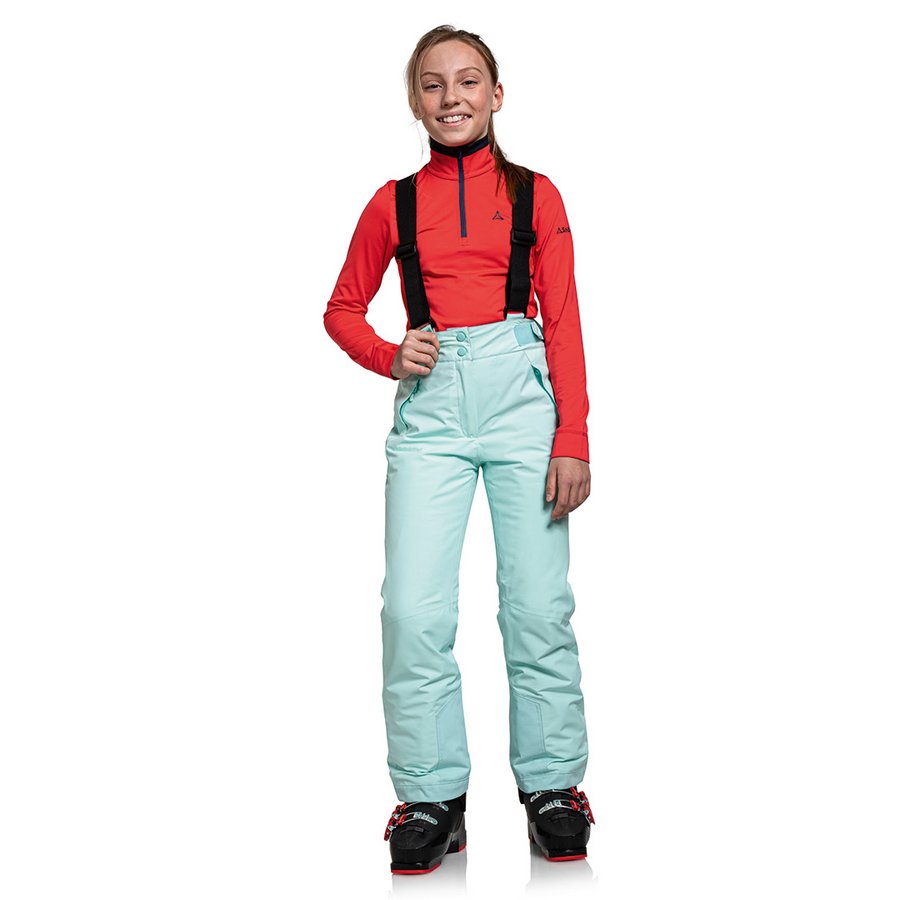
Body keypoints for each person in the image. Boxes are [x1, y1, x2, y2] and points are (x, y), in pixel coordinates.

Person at [323, 25, 595, 874]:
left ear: (496, 94)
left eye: (469, 81)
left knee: (537, 606)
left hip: (522, 405)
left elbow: (564, 322)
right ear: (415, 102)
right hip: (433, 413)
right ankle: (432, 796)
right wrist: (388, 354)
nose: (452, 98)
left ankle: (553, 786)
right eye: (433, 84)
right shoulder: (393, 203)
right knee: (414, 610)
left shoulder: (537, 195)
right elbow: (341, 308)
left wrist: (573, 436)